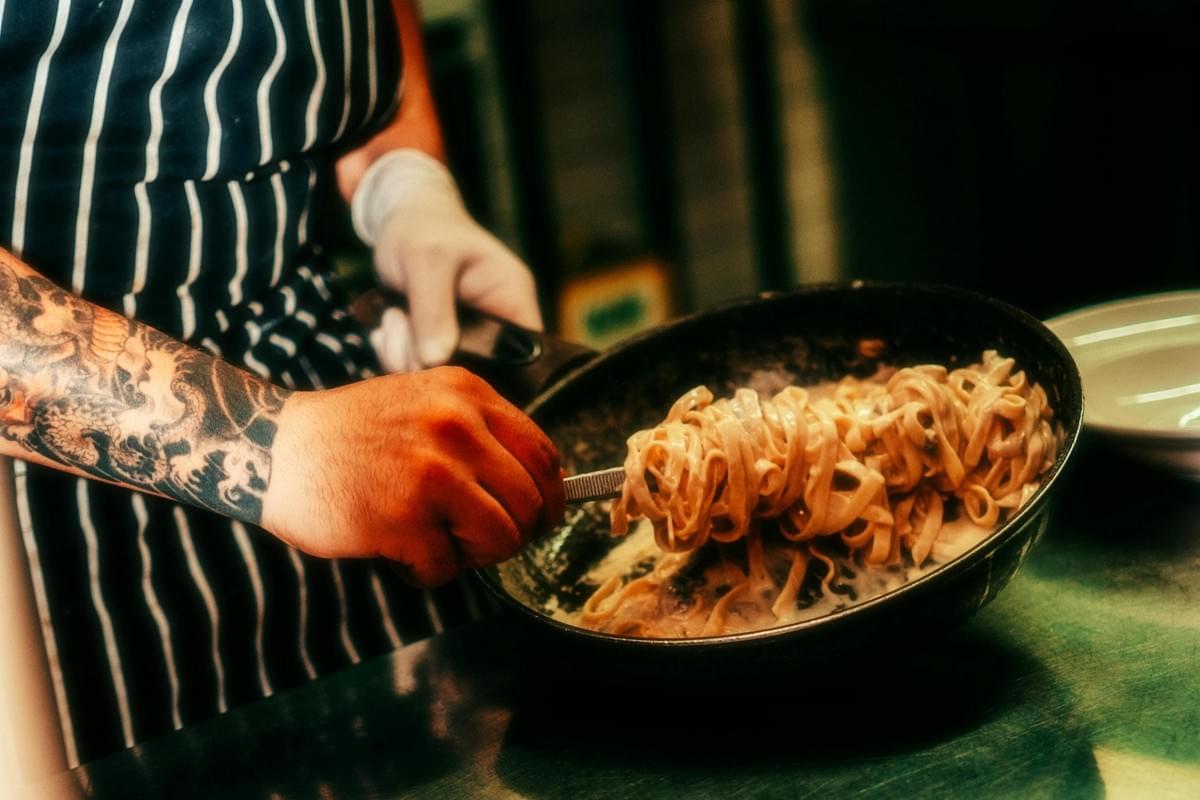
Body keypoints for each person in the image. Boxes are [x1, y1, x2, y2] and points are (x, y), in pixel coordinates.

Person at [0, 0, 563, 767]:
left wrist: (400, 183)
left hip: (354, 482)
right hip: (55, 580)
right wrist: (270, 444)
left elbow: (378, 50)